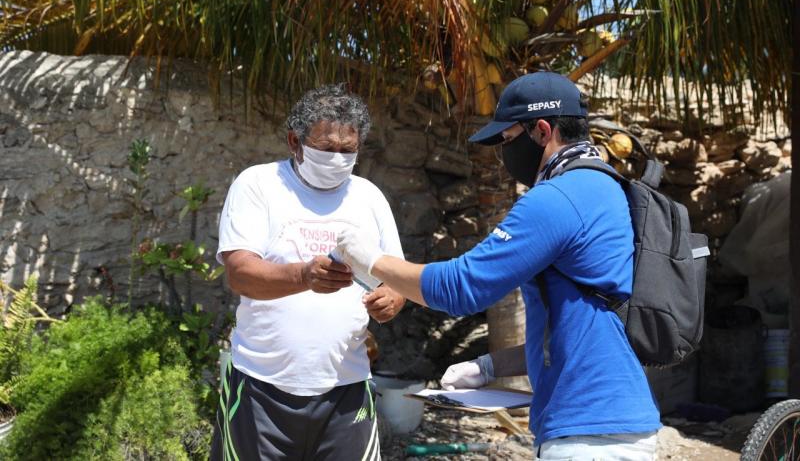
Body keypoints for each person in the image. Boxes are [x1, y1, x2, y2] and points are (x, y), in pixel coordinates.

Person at [334, 72, 661, 460]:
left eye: (507, 140)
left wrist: (370, 259)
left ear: (541, 130)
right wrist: (491, 366)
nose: (504, 155)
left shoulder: (558, 198)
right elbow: (580, 329)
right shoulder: (607, 187)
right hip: (616, 422)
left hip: (588, 435)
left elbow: (463, 287)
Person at [211, 84, 406, 461]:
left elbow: (395, 277)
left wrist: (392, 298)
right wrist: (303, 276)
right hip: (261, 390)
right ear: (294, 142)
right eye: (326, 149)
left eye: (347, 151)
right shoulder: (258, 185)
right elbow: (239, 273)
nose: (336, 159)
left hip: (347, 393)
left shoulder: (369, 198)